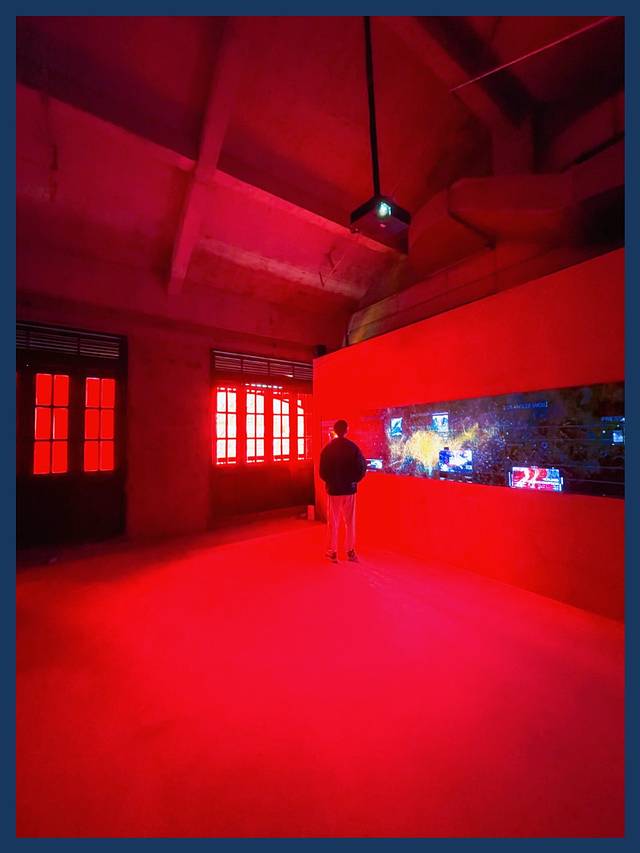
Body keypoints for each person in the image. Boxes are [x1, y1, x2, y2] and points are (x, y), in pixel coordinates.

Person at [319, 419, 367, 563]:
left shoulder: (327, 449)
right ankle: (350, 552)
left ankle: (332, 552)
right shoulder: (353, 447)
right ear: (346, 430)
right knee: (350, 522)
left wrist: (331, 482)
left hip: (334, 490)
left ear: (334, 430)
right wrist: (354, 480)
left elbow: (322, 472)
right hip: (350, 490)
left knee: (333, 522)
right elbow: (362, 467)